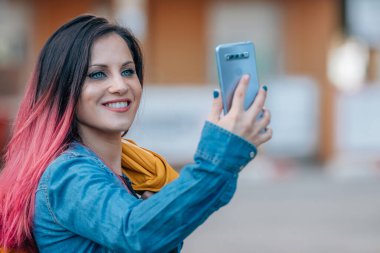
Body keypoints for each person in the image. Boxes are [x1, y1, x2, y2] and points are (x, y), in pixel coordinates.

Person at [0, 15, 272, 252]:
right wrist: (221, 155)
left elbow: (194, 202)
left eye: (128, 71)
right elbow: (136, 232)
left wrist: (230, 154)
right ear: (62, 89)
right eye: (97, 74)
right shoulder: (67, 175)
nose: (120, 85)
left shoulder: (139, 173)